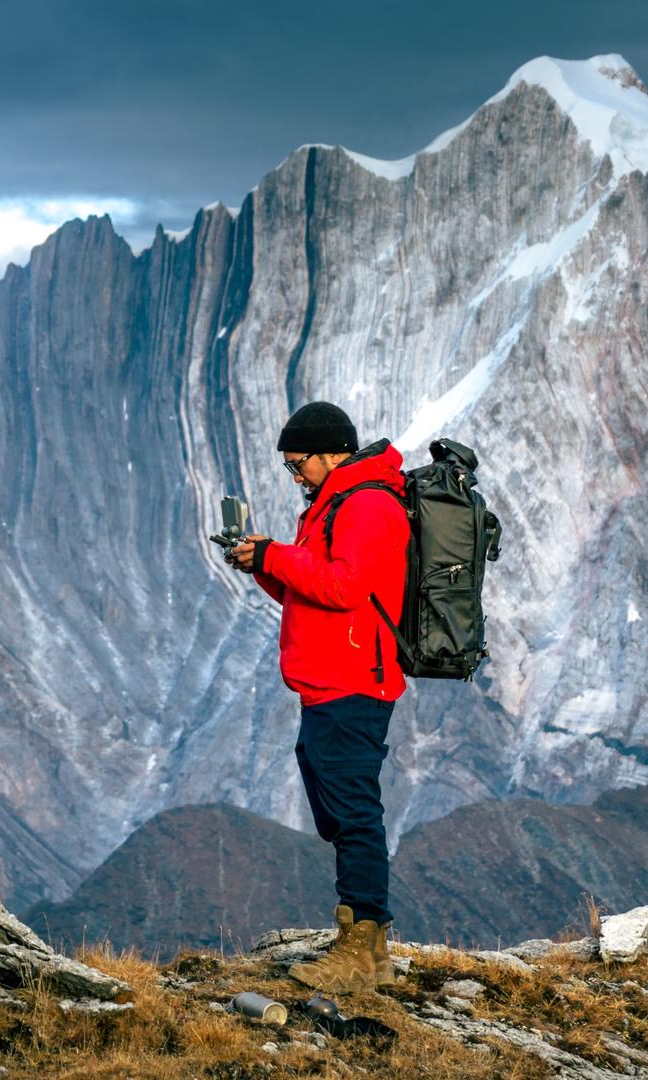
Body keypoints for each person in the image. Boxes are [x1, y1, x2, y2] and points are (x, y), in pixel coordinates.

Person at [225, 401, 409, 993]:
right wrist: (264, 565)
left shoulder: (368, 504)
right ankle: (361, 940)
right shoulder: (335, 504)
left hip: (355, 681)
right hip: (329, 681)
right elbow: (315, 594)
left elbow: (346, 585)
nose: (295, 474)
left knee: (355, 814)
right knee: (341, 811)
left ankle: (364, 950)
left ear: (333, 452)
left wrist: (277, 554)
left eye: (298, 463)